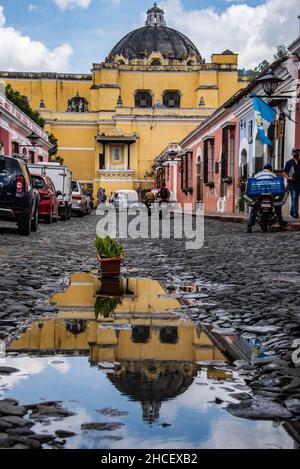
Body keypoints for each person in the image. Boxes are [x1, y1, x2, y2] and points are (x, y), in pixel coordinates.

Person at [247, 163, 286, 233]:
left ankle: (249, 225)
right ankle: (280, 221)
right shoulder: (273, 174)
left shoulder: (257, 174)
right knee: (277, 206)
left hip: (259, 195)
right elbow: (277, 185)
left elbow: (253, 183)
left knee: (254, 208)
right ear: (270, 169)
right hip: (270, 195)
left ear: (263, 169)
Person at [283, 148, 300, 218]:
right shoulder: (289, 162)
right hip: (292, 183)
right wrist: (288, 178)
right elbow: (284, 172)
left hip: (299, 183)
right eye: (295, 152)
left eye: (297, 152)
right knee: (294, 196)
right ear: (292, 153)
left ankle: (292, 212)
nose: (296, 153)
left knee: (296, 197)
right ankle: (295, 213)